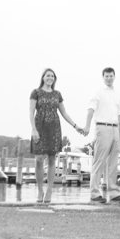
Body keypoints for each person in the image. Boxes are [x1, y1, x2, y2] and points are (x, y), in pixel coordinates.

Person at [29, 68, 84, 204]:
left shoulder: (57, 94)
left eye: (52, 76)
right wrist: (34, 129)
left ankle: (49, 190)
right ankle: (40, 190)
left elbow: (64, 113)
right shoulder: (36, 92)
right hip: (39, 127)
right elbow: (30, 112)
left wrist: (75, 126)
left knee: (52, 159)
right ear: (43, 77)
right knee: (38, 159)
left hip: (54, 128)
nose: (50, 78)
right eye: (48, 76)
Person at [82, 67, 120, 204]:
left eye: (111, 76)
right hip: (102, 127)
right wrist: (87, 126)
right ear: (103, 77)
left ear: (114, 77)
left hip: (115, 129)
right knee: (99, 161)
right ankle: (94, 193)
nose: (109, 78)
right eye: (106, 76)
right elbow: (91, 109)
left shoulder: (118, 94)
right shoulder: (98, 91)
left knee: (113, 163)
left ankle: (113, 193)